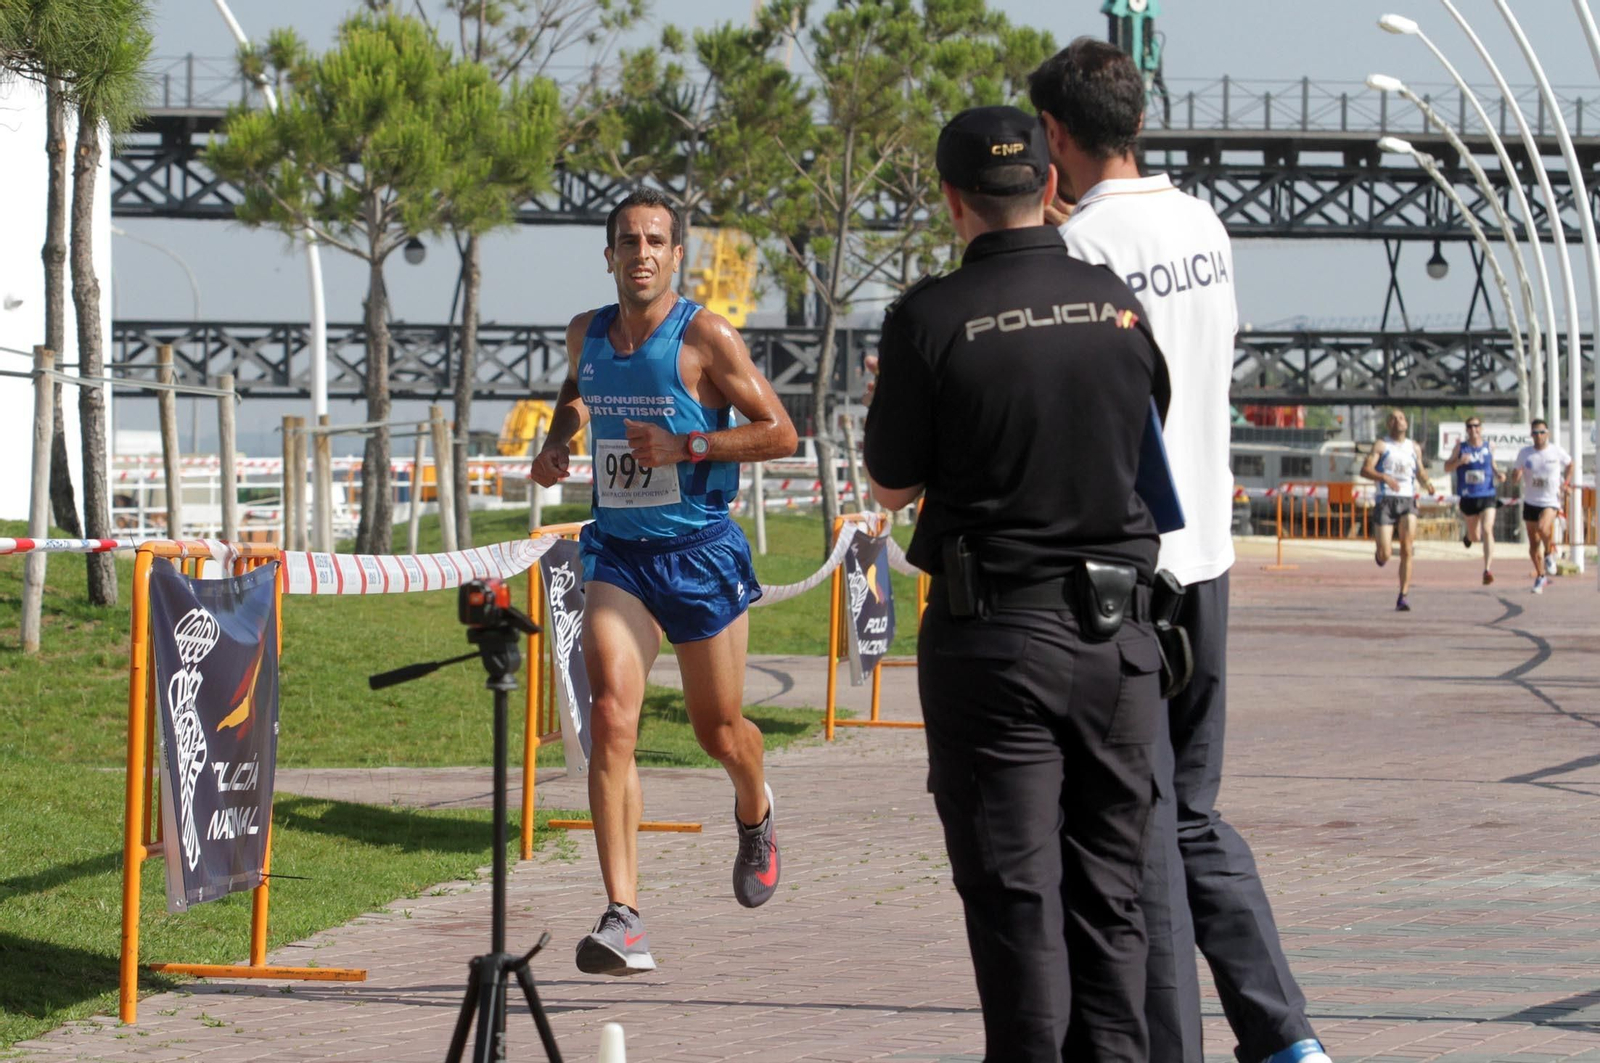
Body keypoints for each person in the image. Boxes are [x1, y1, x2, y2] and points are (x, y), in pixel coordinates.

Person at [1030, 38, 1333, 1063]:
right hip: (1207, 554)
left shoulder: (1077, 251)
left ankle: (1184, 1043)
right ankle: (1284, 1036)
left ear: (1054, 134)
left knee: (1142, 827)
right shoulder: (1203, 223)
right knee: (1190, 810)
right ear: (1138, 120)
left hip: (1126, 572)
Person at [865, 103, 1170, 1063]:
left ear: (951, 199)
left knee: (1016, 901)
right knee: (1112, 898)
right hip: (1120, 643)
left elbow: (890, 484)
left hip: (994, 639)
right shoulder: (1116, 302)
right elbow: (1145, 436)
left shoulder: (929, 319)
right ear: (1047, 184)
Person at [530, 189, 799, 975]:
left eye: (655, 240)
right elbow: (577, 391)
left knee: (721, 732)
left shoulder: (705, 336)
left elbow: (781, 432)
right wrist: (558, 441)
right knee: (611, 714)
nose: (641, 252)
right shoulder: (586, 333)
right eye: (628, 240)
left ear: (676, 255)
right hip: (618, 554)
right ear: (608, 255)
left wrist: (690, 446)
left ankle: (755, 806)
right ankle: (624, 915)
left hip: (699, 552)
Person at [1361, 409, 1434, 612]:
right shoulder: (1382, 445)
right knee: (1385, 553)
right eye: (1393, 418)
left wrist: (1427, 483)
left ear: (1406, 424)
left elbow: (1420, 470)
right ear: (1388, 424)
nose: (1398, 421)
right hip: (1386, 500)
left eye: (1401, 418)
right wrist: (1384, 477)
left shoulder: (1414, 447)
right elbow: (1365, 470)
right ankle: (1380, 556)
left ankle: (1403, 595)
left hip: (1407, 500)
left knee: (1407, 549)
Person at [1508, 419, 1573, 594]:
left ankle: (1549, 554)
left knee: (1543, 528)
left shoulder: (1555, 451)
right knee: (1534, 543)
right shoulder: (1525, 453)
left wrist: (1566, 483)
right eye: (1535, 433)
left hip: (1550, 500)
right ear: (1531, 435)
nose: (1539, 436)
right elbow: (1515, 478)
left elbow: (1570, 464)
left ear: (1547, 433)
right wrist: (1516, 475)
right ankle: (1541, 575)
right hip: (1531, 501)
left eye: (1542, 432)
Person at [1443, 418, 1502, 585]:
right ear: (1466, 430)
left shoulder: (1489, 446)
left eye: (1476, 426)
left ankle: (1487, 569)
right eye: (1469, 426)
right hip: (1468, 496)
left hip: (1487, 494)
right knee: (1475, 536)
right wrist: (1459, 461)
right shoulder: (1460, 447)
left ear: (1481, 428)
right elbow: (1446, 467)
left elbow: (1492, 464)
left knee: (1487, 529)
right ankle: (1468, 537)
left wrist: (1498, 474)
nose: (1473, 429)